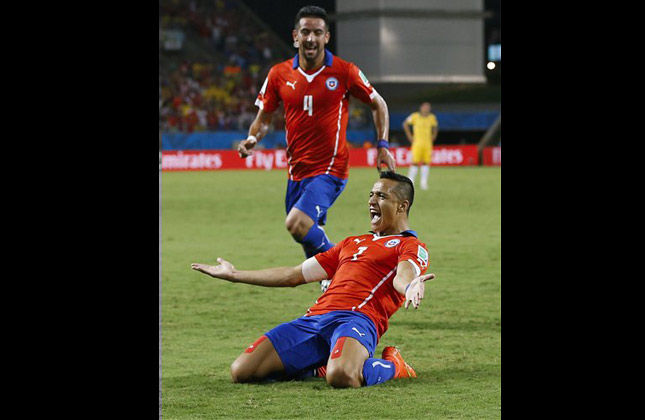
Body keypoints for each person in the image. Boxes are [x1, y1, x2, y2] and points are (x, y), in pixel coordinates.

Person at [191, 171, 435, 388]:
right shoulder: (351, 243)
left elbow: (403, 276)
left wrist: (411, 285)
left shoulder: (410, 245)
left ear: (402, 206)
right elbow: (293, 274)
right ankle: (319, 363)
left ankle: (394, 366)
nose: (372, 201)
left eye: (381, 196)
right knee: (242, 371)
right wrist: (234, 275)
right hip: (314, 319)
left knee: (342, 376)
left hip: (357, 320)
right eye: (371, 195)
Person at [237, 5, 396, 292]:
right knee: (308, 235)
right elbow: (263, 119)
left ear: (327, 37)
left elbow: (378, 103)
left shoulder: (344, 71)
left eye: (318, 33)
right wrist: (252, 139)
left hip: (330, 170)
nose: (311, 38)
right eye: (306, 32)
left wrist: (382, 144)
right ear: (295, 36)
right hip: (296, 173)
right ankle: (332, 288)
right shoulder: (278, 74)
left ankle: (351, 269)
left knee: (296, 222)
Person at [402, 102, 438, 190]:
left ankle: (424, 183)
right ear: (421, 108)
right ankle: (410, 182)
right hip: (417, 143)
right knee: (414, 162)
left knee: (426, 162)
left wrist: (434, 135)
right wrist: (409, 136)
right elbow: (405, 124)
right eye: (425, 107)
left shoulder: (432, 118)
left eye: (428, 108)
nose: (426, 109)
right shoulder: (414, 116)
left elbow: (435, 127)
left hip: (428, 144)